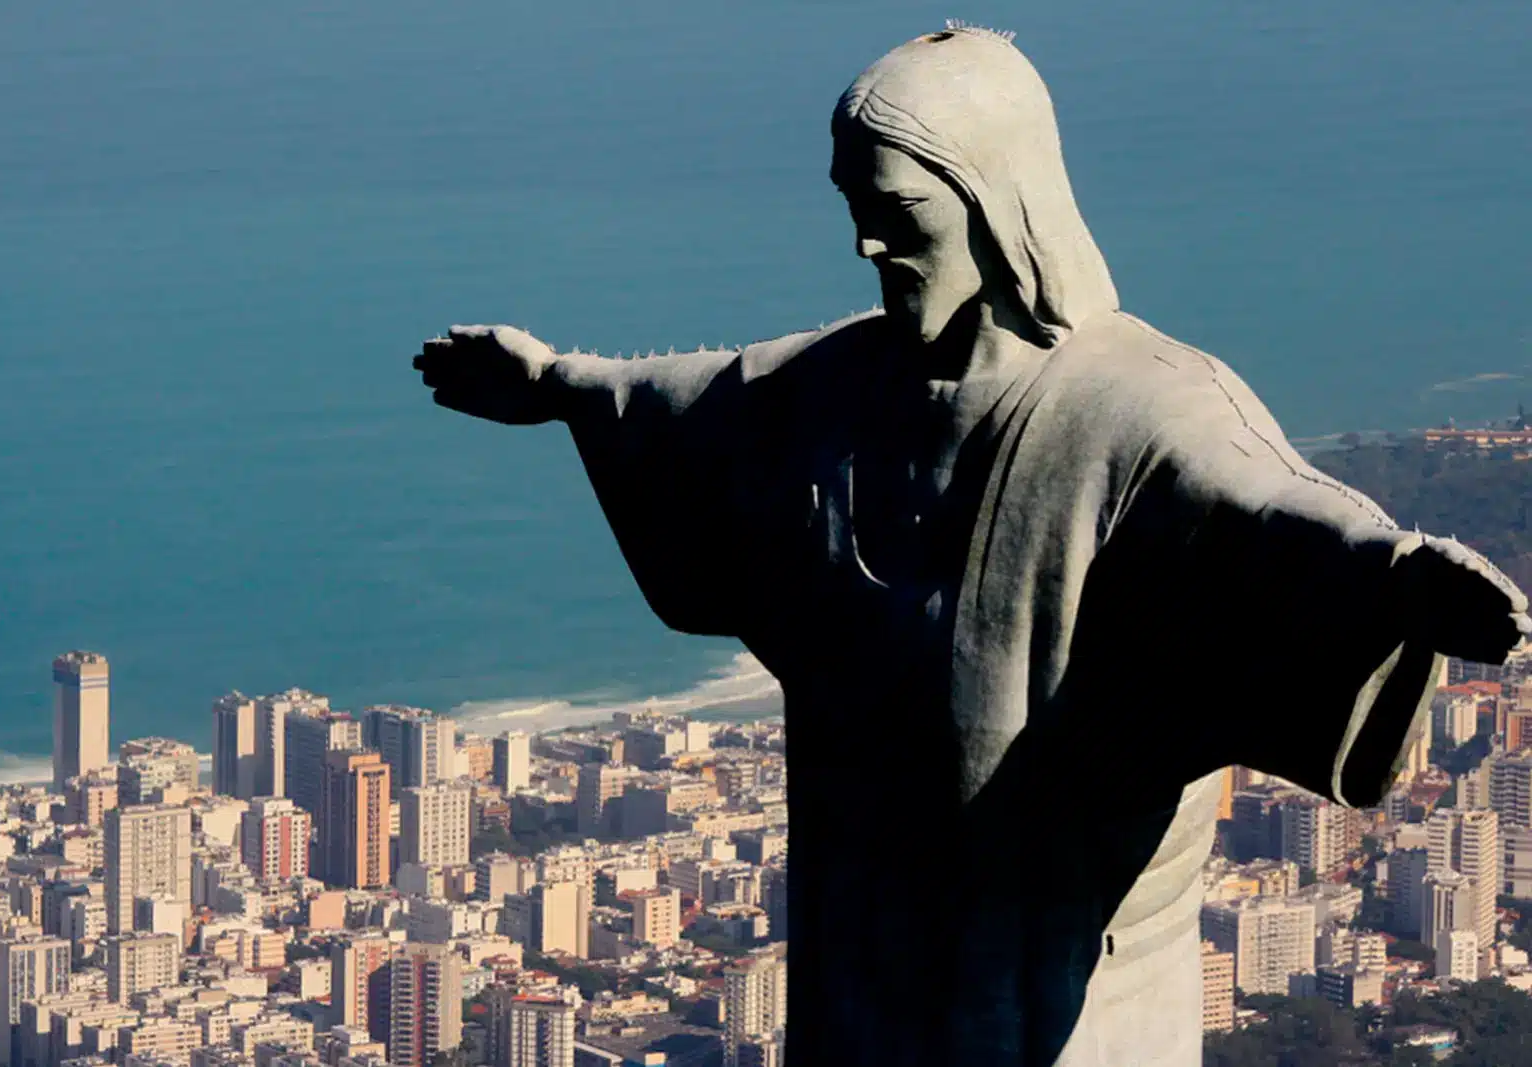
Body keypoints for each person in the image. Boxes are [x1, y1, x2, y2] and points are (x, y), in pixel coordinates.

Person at [411, 24, 1528, 1066]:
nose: (866, 241)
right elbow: (700, 401)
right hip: (861, 931)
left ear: (994, 199)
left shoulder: (1136, 406)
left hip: (1070, 972)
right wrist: (556, 387)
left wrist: (1396, 582)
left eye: (895, 209)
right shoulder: (840, 383)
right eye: (853, 204)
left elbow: (1271, 512)